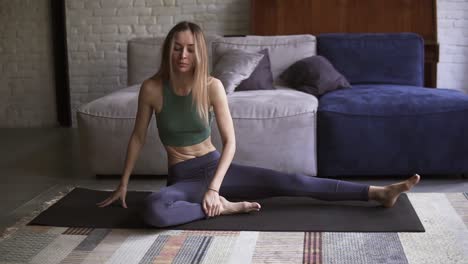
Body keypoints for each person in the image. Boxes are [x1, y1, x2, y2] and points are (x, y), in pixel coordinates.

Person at [97, 21, 420, 227]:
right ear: (168, 50)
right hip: (183, 177)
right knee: (154, 209)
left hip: (217, 169)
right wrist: (123, 183)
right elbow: (137, 137)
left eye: (190, 49)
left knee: (294, 181)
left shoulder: (211, 86)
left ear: (199, 54)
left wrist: (213, 188)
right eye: (177, 48)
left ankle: (378, 193)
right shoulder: (152, 88)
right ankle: (223, 209)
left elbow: (231, 143)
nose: (183, 55)